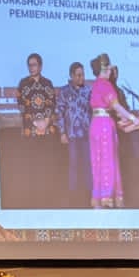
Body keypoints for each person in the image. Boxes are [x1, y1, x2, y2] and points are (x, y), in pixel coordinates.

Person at [89, 54, 139, 208]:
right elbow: (116, 106)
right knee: (108, 160)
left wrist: (125, 119)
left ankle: (98, 198)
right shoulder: (105, 84)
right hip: (104, 125)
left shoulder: (95, 84)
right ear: (105, 69)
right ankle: (107, 198)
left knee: (97, 160)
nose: (111, 72)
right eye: (109, 69)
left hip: (95, 124)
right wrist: (132, 118)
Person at [55, 61, 92, 204]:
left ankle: (89, 194)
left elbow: (93, 111)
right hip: (72, 135)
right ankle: (74, 196)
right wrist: (62, 133)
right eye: (78, 75)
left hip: (86, 135)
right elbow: (59, 113)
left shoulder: (88, 91)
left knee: (87, 165)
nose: (81, 77)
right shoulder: (64, 92)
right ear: (71, 75)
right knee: (74, 165)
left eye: (83, 74)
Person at [18, 52, 57, 138]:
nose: (31, 68)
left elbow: (52, 103)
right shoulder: (23, 83)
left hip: (47, 130)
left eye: (34, 65)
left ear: (40, 66)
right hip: (29, 130)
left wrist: (46, 121)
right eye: (29, 65)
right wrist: (35, 122)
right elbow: (21, 105)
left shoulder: (47, 83)